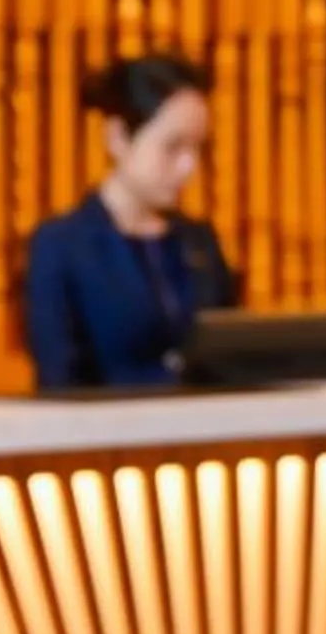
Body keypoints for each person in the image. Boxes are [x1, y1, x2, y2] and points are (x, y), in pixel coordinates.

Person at [21, 54, 239, 389]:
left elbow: (231, 359)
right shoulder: (61, 246)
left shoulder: (200, 242)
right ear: (119, 137)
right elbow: (59, 379)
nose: (188, 167)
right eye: (173, 147)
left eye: (197, 148)